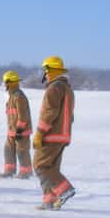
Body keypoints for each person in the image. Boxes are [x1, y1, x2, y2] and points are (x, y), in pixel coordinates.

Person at [33, 56, 76, 210]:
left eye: (46, 70)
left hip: (52, 135)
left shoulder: (54, 88)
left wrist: (39, 133)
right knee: (51, 168)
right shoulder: (67, 89)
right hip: (63, 136)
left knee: (40, 165)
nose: (45, 74)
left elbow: (49, 113)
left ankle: (65, 190)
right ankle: (49, 200)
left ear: (53, 70)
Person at [0, 70, 33, 179]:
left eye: (5, 82)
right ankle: (9, 171)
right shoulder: (12, 96)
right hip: (12, 131)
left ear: (9, 83)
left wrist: (19, 129)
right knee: (8, 149)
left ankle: (25, 172)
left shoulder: (19, 97)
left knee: (22, 150)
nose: (4, 85)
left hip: (20, 131)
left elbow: (23, 115)